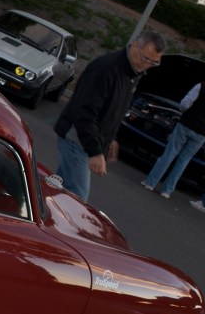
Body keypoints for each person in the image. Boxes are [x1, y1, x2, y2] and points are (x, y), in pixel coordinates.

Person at [53, 30, 167, 202]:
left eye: (154, 62)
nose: (147, 65)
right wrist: (96, 152)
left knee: (58, 189)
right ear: (135, 45)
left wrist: (109, 138)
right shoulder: (106, 69)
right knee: (76, 201)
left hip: (84, 140)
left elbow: (112, 111)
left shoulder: (132, 73)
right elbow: (85, 113)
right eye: (145, 58)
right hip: (77, 140)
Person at [141, 70, 205, 198]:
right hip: (203, 132)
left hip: (187, 124)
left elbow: (184, 104)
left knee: (169, 154)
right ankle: (167, 191)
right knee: (183, 160)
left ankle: (150, 182)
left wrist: (186, 111)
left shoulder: (202, 86)